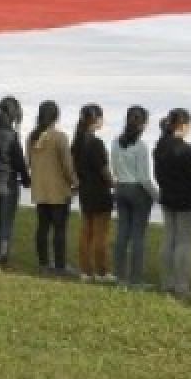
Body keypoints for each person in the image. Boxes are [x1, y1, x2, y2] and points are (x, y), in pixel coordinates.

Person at [153, 108, 191, 297]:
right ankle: (182, 286)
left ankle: (167, 282)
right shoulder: (185, 149)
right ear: (183, 125)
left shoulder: (160, 145)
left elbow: (157, 174)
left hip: (167, 196)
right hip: (187, 200)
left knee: (169, 238)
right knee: (184, 242)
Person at [28, 100, 77, 277]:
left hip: (40, 189)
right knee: (59, 229)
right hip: (58, 190)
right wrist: (75, 182)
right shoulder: (60, 137)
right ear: (56, 117)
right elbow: (67, 164)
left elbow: (29, 162)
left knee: (42, 227)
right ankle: (60, 266)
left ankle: (43, 264)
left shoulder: (31, 137)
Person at [111, 107, 158, 288]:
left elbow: (114, 169)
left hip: (120, 188)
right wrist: (157, 196)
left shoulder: (115, 142)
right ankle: (136, 280)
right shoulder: (141, 147)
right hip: (137, 191)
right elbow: (145, 178)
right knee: (138, 236)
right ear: (143, 124)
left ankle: (119, 277)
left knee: (122, 233)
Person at [72, 104, 114, 282]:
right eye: (101, 117)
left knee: (86, 232)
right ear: (95, 120)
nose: (103, 121)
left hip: (85, 190)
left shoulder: (77, 143)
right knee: (100, 234)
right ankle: (102, 271)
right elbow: (103, 169)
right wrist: (113, 182)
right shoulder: (96, 143)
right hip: (99, 191)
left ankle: (85, 270)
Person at [0, 96, 30, 265]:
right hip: (8, 182)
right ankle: (3, 257)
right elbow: (19, 162)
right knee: (6, 222)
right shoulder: (12, 135)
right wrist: (27, 180)